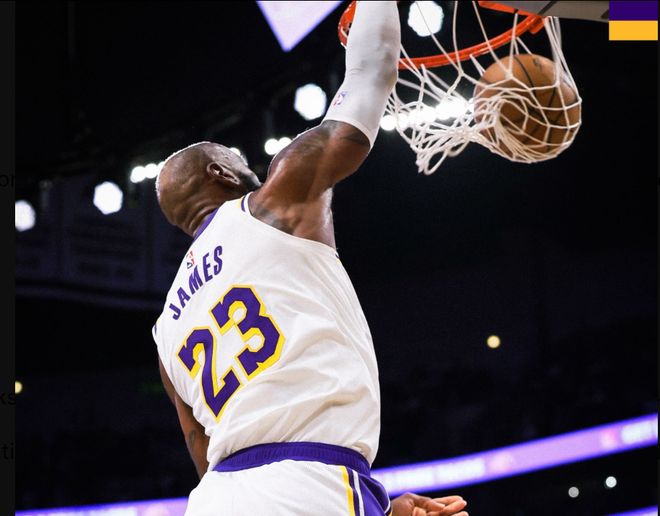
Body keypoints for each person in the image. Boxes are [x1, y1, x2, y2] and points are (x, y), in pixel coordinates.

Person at [152, 2, 468, 515]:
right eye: (235, 157)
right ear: (220, 173)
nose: (246, 162)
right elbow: (369, 78)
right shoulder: (273, 203)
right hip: (309, 481)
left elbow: (202, 451)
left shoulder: (166, 330)